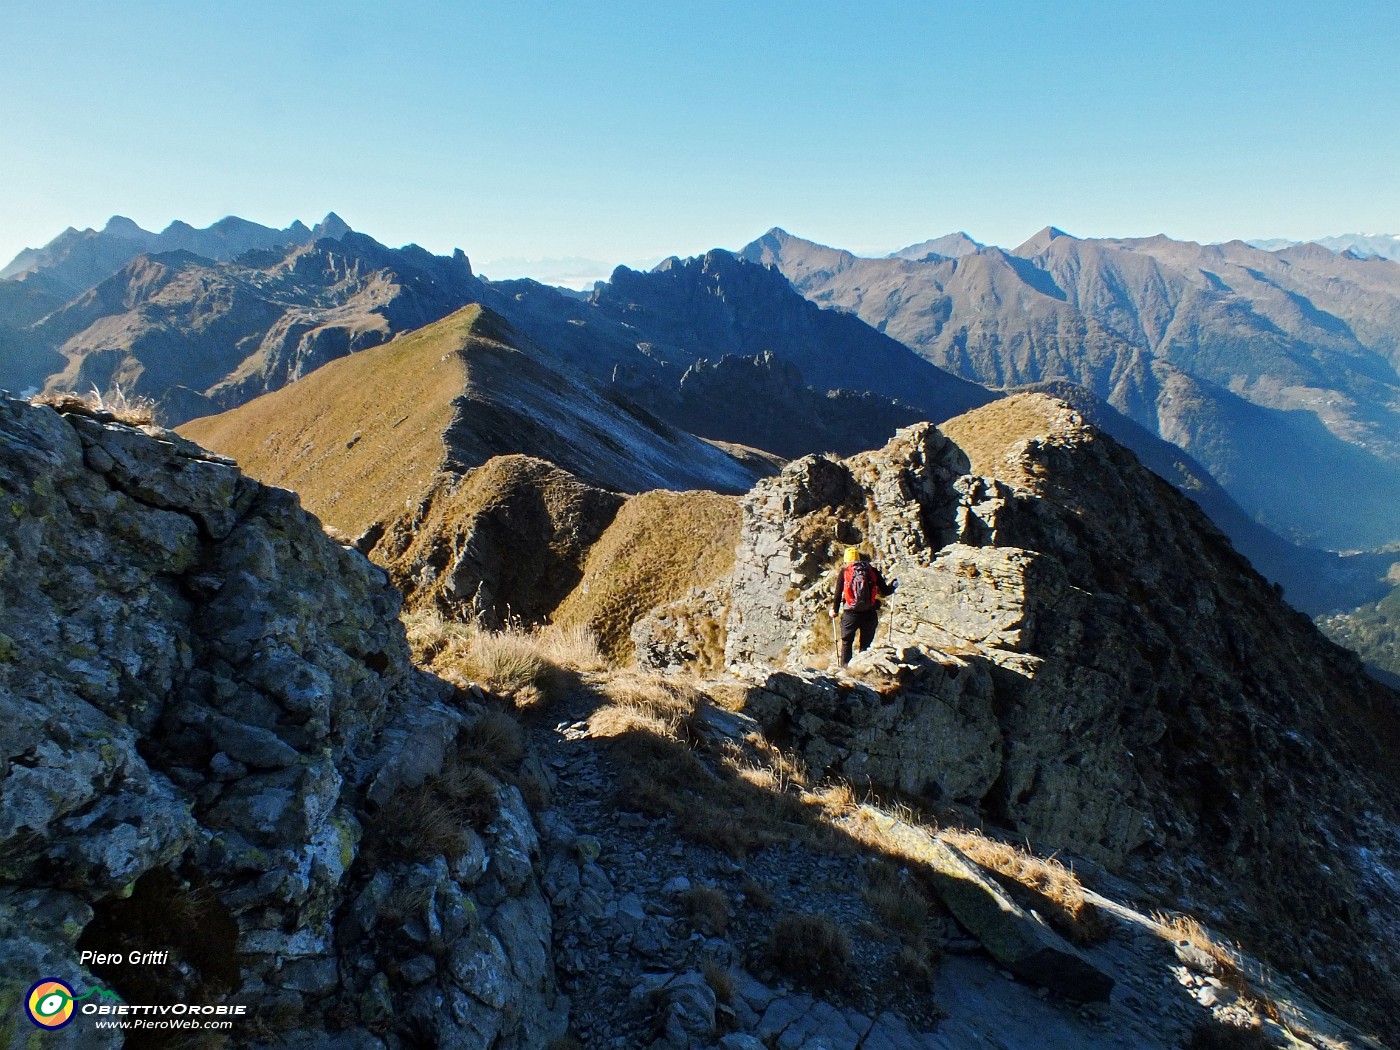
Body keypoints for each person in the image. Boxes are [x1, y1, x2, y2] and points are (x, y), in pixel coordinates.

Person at [828, 546, 893, 666]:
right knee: (866, 644)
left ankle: (845, 670)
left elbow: (837, 595)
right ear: (858, 558)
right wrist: (893, 586)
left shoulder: (845, 571)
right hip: (870, 612)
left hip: (850, 613)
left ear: (846, 560)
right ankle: (863, 669)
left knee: (847, 642)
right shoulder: (872, 571)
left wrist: (834, 611)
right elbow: (886, 591)